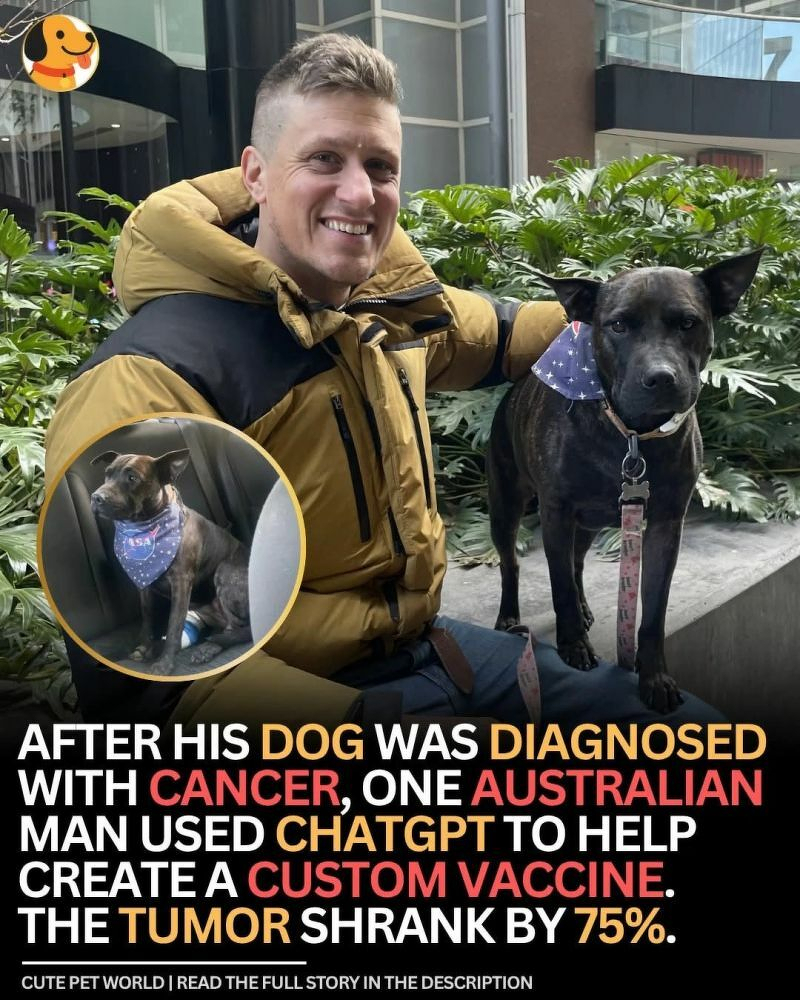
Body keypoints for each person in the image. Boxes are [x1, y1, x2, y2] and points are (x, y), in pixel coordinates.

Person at [44, 33, 720, 728]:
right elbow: (144, 684)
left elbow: (509, 332)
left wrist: (640, 325)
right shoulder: (149, 377)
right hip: (305, 706)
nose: (360, 192)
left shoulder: (389, 311)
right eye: (324, 159)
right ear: (255, 174)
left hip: (429, 650)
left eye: (382, 166)